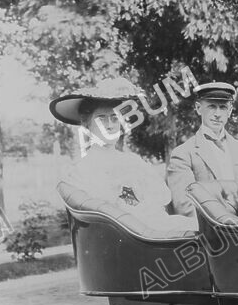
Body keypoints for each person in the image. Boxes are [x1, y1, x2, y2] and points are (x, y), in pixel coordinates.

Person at [50, 78, 197, 237]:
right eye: (101, 119)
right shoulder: (81, 171)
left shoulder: (133, 161)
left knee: (202, 227)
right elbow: (102, 213)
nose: (110, 125)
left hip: (154, 227)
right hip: (124, 237)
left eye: (114, 118)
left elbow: (161, 197)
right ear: (87, 125)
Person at [165, 81, 238, 216]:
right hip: (210, 231)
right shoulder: (183, 154)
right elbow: (185, 206)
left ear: (230, 110)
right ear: (198, 108)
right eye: (211, 106)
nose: (217, 114)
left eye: (223, 107)